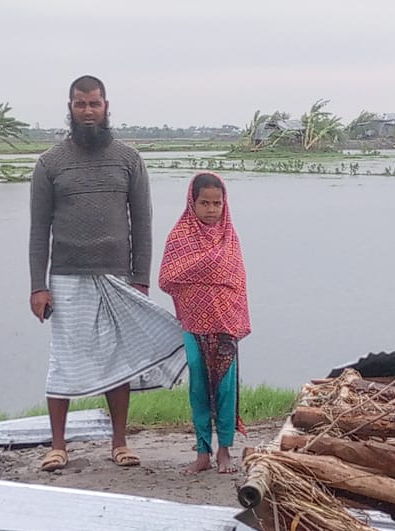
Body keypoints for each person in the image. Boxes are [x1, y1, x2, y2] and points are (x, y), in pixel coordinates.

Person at [28, 75, 185, 471]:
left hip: (118, 275)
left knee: (119, 358)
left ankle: (119, 442)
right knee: (63, 359)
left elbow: (142, 222)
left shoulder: (129, 159)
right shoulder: (49, 163)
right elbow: (38, 229)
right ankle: (58, 446)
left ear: (106, 106)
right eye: (80, 105)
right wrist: (37, 286)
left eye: (94, 104)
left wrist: (141, 277)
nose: (87, 112)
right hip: (65, 276)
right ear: (70, 108)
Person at [159, 172, 251, 474]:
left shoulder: (230, 237)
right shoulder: (179, 237)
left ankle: (225, 449)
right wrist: (208, 270)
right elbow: (167, 278)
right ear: (192, 203)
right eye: (204, 203)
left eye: (217, 203)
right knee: (198, 387)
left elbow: (235, 280)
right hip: (194, 324)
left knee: (225, 389)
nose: (212, 209)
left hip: (224, 324)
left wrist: (200, 272)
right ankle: (202, 452)